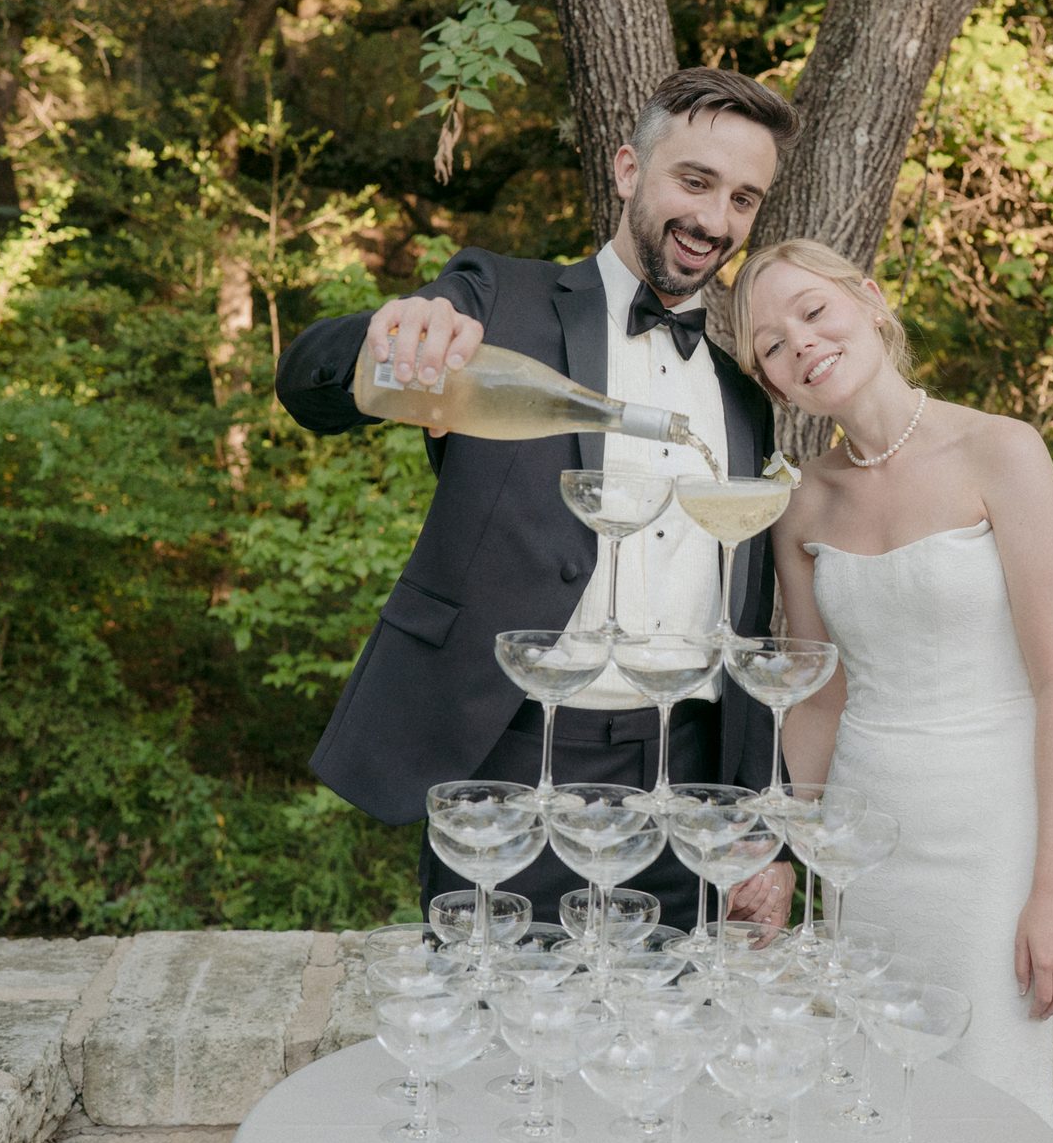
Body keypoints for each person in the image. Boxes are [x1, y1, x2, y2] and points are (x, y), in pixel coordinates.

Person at [275, 69, 799, 933]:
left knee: (662, 1049)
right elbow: (308, 387)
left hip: (687, 786)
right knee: (492, 1040)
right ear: (630, 170)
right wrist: (389, 335)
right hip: (509, 761)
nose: (715, 220)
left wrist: (758, 820)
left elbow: (748, 617)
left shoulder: (747, 390)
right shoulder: (497, 302)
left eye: (744, 198)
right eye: (695, 181)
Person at [728, 238, 1053, 1134]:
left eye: (813, 312)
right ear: (773, 383)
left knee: (989, 1092)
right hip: (865, 833)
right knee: (873, 1090)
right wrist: (780, 850)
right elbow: (821, 696)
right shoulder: (805, 502)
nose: (801, 344)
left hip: (990, 829)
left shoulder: (1002, 451)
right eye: (771, 345)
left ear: (869, 299)